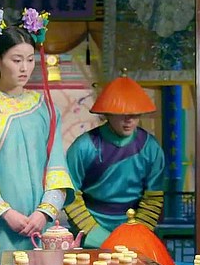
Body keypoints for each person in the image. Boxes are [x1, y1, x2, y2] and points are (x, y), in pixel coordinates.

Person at [0, 7, 74, 264]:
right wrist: (6, 213)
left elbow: (57, 169)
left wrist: (43, 213)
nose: (25, 68)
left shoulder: (44, 107)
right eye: (16, 60)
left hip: (42, 228)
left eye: (30, 60)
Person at [63, 72, 165, 248]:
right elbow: (70, 194)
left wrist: (138, 233)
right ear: (107, 114)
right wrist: (93, 232)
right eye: (121, 114)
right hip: (90, 229)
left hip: (134, 230)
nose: (129, 120)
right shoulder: (84, 146)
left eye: (134, 114)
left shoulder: (150, 148)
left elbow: (153, 198)